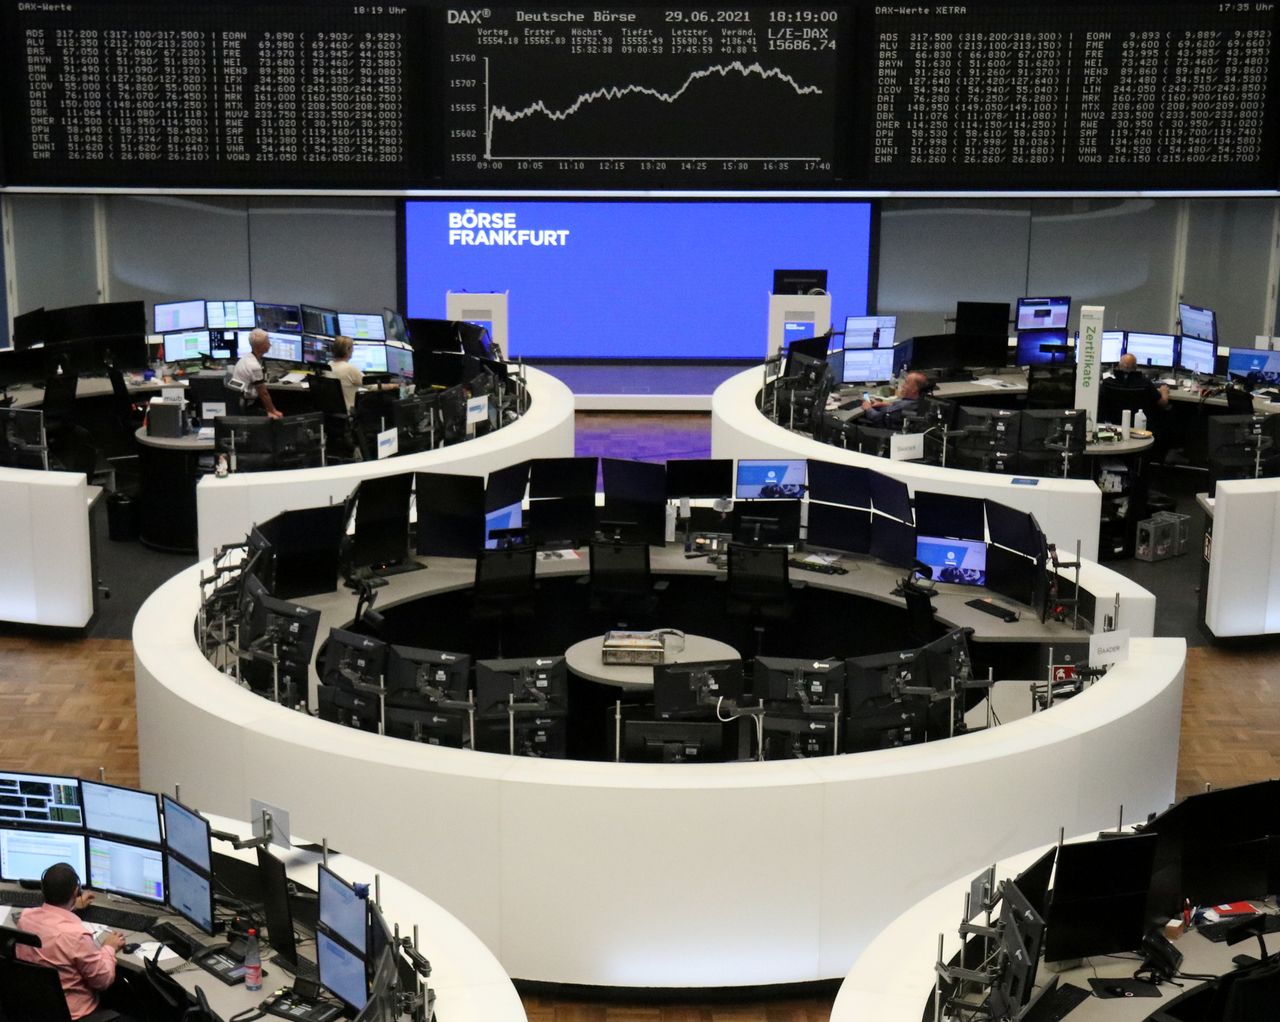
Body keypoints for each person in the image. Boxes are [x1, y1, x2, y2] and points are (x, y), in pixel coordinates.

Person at [15, 862, 138, 1021]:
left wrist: (72, 907)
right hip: (77, 1015)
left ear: (43, 890)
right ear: (76, 892)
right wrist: (109, 947)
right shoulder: (77, 935)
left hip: (36, 1009)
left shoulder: (25, 918)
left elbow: (50, 923)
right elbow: (103, 981)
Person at [229, 328, 283, 419]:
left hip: (239, 402)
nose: (270, 344)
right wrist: (272, 411)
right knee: (277, 415)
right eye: (267, 342)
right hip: (248, 408)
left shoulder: (246, 358)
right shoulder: (254, 366)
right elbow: (263, 393)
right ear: (260, 347)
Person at [861, 370, 929, 429]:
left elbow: (878, 418)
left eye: (906, 382)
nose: (903, 385)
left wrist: (868, 408)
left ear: (914, 389)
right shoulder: (920, 401)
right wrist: (883, 404)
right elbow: (897, 408)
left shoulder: (901, 408)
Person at [325, 335, 364, 412]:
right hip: (349, 411)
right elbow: (372, 385)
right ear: (348, 349)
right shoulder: (350, 369)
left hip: (333, 412)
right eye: (352, 348)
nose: (353, 350)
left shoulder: (329, 365)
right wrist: (392, 385)